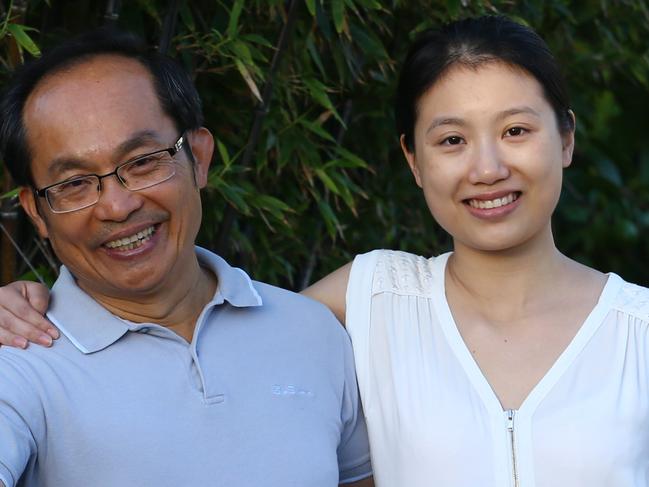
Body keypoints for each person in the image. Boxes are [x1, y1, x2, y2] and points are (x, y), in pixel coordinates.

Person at [3, 15, 649, 487]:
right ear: (412, 159)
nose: (486, 167)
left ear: (565, 138)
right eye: (450, 139)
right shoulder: (370, 296)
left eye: (514, 130)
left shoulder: (639, 331)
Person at [0, 28, 372, 487]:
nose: (117, 206)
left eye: (142, 162)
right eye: (73, 183)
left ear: (198, 157)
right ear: (36, 210)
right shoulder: (17, 361)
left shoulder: (313, 331)